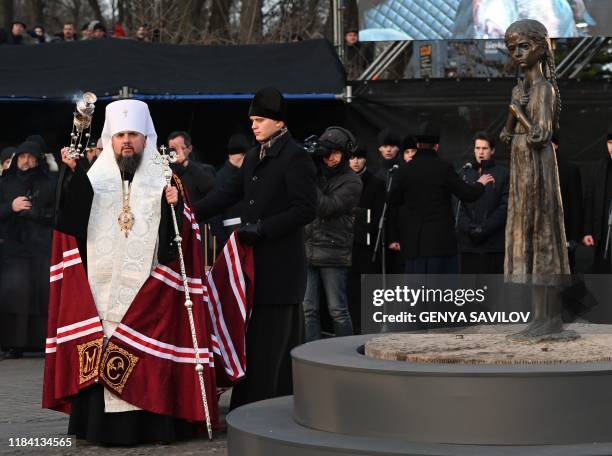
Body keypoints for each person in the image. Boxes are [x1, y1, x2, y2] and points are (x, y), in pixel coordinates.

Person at [54, 99, 198, 445]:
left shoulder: (166, 178)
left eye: (133, 133)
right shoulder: (92, 178)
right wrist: (70, 176)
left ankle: (150, 425)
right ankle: (100, 427)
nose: (127, 141)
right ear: (109, 139)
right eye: (120, 135)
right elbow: (69, 227)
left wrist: (176, 203)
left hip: (148, 294)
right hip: (100, 294)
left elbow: (183, 238)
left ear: (146, 137)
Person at [193, 87, 317, 410]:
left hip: (280, 269)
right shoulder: (252, 156)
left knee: (273, 344)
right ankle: (255, 407)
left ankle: (265, 410)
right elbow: (224, 194)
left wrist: (262, 229)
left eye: (260, 119)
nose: (253, 125)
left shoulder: (296, 156)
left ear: (278, 122)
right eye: (252, 120)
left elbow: (306, 209)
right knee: (256, 343)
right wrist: (188, 213)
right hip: (252, 269)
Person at [500, 19, 571, 340]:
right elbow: (508, 134)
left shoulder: (543, 88)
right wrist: (512, 117)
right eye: (512, 48)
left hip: (537, 170)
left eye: (524, 46)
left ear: (541, 48)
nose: (517, 53)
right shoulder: (520, 88)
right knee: (527, 241)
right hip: (521, 173)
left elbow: (540, 135)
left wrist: (517, 114)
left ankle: (550, 319)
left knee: (542, 239)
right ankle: (538, 318)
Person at [388, 128, 494, 274]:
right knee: (440, 291)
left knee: (417, 292)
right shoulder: (444, 168)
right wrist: (480, 183)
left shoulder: (404, 170)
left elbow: (392, 200)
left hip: (414, 244)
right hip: (440, 243)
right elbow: (468, 194)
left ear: (417, 146)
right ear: (436, 146)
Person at [302, 127, 362, 342]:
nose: (330, 157)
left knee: (337, 309)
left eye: (335, 152)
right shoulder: (315, 171)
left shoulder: (352, 181)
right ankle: (311, 356)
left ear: (345, 154)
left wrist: (308, 177)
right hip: (307, 248)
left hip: (333, 250)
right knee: (308, 310)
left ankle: (344, 354)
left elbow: (326, 207)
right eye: (326, 152)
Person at [0, 141, 57, 359]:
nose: (25, 161)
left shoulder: (49, 182)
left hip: (41, 247)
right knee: (16, 295)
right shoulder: (5, 182)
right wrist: (11, 207)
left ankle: (42, 342)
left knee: (41, 295)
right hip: (14, 248)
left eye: (30, 157)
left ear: (38, 159)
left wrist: (36, 213)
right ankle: (14, 343)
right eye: (21, 156)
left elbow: (57, 211)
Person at [456, 131, 509, 274]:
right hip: (468, 245)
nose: (480, 152)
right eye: (477, 148)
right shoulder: (465, 172)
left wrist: (485, 228)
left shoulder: (502, 173)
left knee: (492, 290)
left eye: (484, 148)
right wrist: (470, 228)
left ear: (492, 150)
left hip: (493, 245)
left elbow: (505, 207)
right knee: (470, 292)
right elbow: (458, 207)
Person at [347, 147, 386, 333]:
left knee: (367, 287)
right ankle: (352, 328)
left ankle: (368, 327)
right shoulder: (341, 180)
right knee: (348, 288)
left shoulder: (376, 183)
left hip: (367, 243)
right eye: (352, 158)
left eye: (359, 158)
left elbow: (378, 215)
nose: (355, 162)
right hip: (344, 244)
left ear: (365, 160)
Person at [582, 126, 612, 273]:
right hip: (603, 235)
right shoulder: (598, 168)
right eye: (610, 142)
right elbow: (589, 201)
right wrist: (587, 231)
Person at [551, 136, 584, 270]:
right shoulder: (532, 169)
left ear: (556, 146)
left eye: (549, 145)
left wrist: (574, 238)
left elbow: (576, 204)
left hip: (564, 236)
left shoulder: (569, 169)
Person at [213, 133, 249, 246]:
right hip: (231, 233)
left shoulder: (246, 173)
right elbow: (215, 214)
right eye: (243, 154)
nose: (245, 158)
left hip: (246, 230)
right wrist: (223, 241)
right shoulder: (221, 177)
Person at [167, 131, 216, 203]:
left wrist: (185, 162)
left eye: (182, 148)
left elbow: (210, 187)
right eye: (173, 149)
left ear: (189, 149)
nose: (177, 152)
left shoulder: (205, 168)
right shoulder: (167, 172)